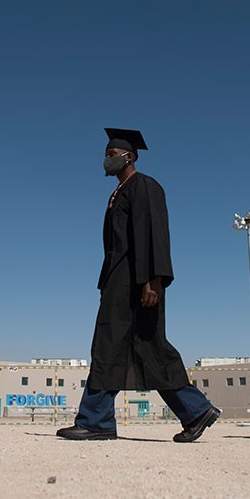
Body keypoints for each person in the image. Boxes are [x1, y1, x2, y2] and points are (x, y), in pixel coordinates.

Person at [57, 128, 221, 443]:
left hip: (139, 281)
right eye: (106, 154)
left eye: (111, 154)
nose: (106, 159)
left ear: (128, 157)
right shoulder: (118, 192)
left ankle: (96, 420)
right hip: (118, 281)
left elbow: (155, 233)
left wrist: (155, 280)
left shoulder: (145, 186)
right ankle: (195, 410)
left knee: (126, 345)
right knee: (138, 348)